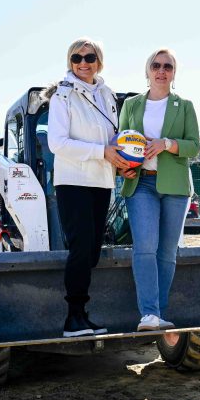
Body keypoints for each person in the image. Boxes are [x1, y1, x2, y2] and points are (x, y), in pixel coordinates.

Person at [46, 37, 133, 337]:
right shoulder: (63, 96)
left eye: (90, 57)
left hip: (102, 180)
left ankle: (83, 315)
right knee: (81, 247)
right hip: (73, 181)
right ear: (69, 63)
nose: (83, 63)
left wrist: (123, 160)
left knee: (93, 250)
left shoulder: (107, 94)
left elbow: (112, 138)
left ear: (100, 61)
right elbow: (56, 143)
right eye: (76, 58)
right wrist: (101, 152)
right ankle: (74, 317)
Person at [119, 48, 200, 331]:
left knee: (167, 253)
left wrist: (166, 143)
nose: (161, 70)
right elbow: (121, 143)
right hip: (141, 183)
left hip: (176, 186)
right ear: (148, 70)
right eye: (156, 65)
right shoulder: (131, 105)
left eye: (168, 66)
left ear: (174, 73)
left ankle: (158, 313)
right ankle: (149, 313)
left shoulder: (185, 106)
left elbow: (194, 146)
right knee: (145, 247)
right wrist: (122, 166)